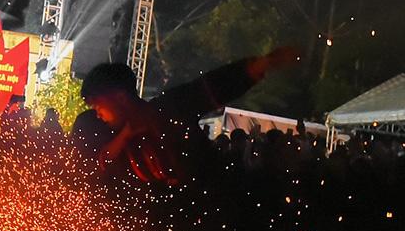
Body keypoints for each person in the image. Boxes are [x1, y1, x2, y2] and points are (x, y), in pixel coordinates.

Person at [78, 47, 300, 184]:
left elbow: (208, 89)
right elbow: (102, 161)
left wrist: (258, 66)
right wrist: (126, 134)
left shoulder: (167, 110)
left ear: (119, 97)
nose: (97, 113)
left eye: (98, 105)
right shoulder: (107, 133)